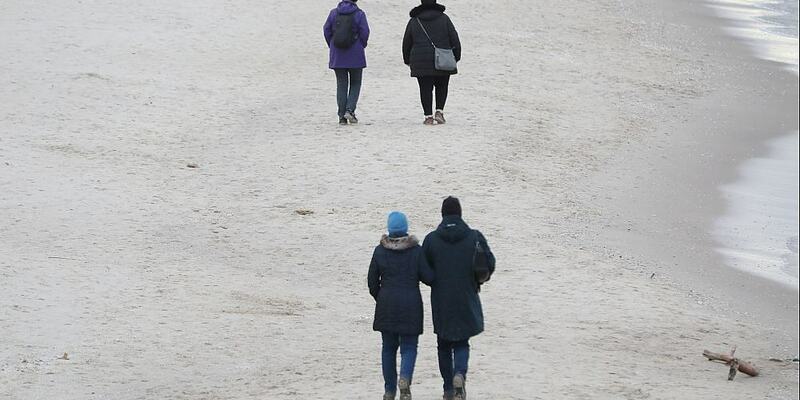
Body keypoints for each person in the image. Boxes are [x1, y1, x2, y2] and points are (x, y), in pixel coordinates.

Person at [422, 197, 495, 400]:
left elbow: (423, 269)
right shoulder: (474, 237)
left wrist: (434, 281)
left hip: (441, 299)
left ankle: (447, 388)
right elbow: (490, 263)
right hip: (466, 296)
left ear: (443, 214)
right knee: (462, 342)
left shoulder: (431, 240)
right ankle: (460, 375)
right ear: (460, 214)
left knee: (443, 345)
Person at [368, 211, 435, 400]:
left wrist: (381, 297)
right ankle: (405, 379)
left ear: (389, 229)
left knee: (388, 348)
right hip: (411, 304)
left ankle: (389, 390)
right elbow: (429, 278)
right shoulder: (416, 251)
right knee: (409, 347)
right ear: (405, 229)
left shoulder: (379, 251)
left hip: (386, 304)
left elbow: (372, 281)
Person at [402, 0, 461, 125]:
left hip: (421, 61)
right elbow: (454, 38)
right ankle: (439, 112)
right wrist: (456, 56)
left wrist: (407, 60)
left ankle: (428, 116)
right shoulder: (444, 18)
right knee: (442, 85)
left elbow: (407, 41)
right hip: (443, 58)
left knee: (425, 88)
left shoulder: (414, 20)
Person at [324, 0, 370, 125]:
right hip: (355, 53)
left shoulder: (333, 13)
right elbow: (365, 32)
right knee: (355, 83)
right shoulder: (359, 14)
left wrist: (333, 45)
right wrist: (361, 45)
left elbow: (326, 30)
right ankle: (350, 110)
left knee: (341, 84)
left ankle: (341, 116)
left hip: (337, 55)